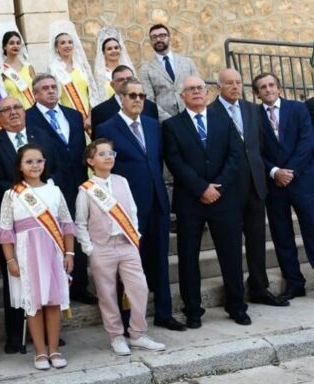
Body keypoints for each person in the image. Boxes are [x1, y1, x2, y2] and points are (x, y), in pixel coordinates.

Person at [94, 77, 184, 331]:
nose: (137, 100)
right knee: (128, 264)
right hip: (125, 207)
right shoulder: (107, 128)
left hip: (157, 202)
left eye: (142, 96)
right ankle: (126, 319)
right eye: (132, 95)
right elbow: (102, 168)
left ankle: (164, 313)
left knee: (161, 261)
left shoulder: (154, 126)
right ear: (121, 98)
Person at [163, 76, 248, 328]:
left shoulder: (224, 121)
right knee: (188, 258)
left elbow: (236, 156)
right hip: (190, 201)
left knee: (231, 254)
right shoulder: (172, 126)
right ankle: (193, 310)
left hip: (224, 199)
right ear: (183, 96)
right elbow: (174, 161)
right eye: (191, 89)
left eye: (200, 88)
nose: (197, 92)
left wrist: (217, 187)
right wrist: (201, 188)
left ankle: (237, 306)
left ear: (207, 93)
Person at [75, 139, 166, 356]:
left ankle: (137, 333)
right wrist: (89, 249)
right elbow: (80, 222)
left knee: (140, 288)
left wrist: (135, 236)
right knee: (106, 294)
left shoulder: (122, 181)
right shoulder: (86, 190)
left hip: (127, 244)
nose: (108, 157)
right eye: (102, 154)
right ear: (90, 161)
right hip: (101, 248)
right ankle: (116, 336)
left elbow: (132, 211)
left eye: (111, 153)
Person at [0, 97, 51, 353]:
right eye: (6, 110)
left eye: (17, 107)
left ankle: (46, 333)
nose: (13, 113)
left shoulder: (41, 136)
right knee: (15, 279)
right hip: (12, 217)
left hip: (44, 220)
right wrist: (20, 192)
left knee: (44, 275)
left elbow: (52, 171)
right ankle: (14, 336)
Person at [212, 69, 288, 306]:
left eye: (238, 82)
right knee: (231, 246)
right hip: (228, 189)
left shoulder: (252, 110)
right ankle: (235, 297)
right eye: (229, 83)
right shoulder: (211, 113)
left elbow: (258, 147)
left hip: (256, 185)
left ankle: (259, 288)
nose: (235, 86)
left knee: (256, 241)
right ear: (219, 87)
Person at [0, 144, 73, 370]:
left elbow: (67, 224)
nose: (35, 165)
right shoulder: (11, 195)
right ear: (19, 166)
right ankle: (40, 352)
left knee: (53, 301)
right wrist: (10, 260)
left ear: (45, 163)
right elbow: (6, 231)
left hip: (53, 252)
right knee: (34, 304)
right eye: (29, 161)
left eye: (39, 160)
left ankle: (54, 349)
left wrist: (69, 253)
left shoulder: (54, 191)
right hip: (26, 254)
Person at [25, 74, 95, 304]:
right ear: (35, 94)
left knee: (77, 231)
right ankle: (56, 287)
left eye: (54, 87)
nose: (51, 91)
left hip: (77, 184)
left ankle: (80, 286)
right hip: (48, 187)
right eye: (45, 88)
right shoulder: (28, 118)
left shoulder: (74, 116)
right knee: (53, 238)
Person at [254, 72, 314, 300]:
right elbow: (255, 150)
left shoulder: (298, 109)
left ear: (279, 88)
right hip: (274, 185)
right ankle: (295, 283)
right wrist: (275, 172)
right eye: (262, 87)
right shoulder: (254, 116)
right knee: (282, 235)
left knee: (312, 230)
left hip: (304, 181)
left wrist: (289, 171)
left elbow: (308, 141)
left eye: (271, 85)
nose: (268, 90)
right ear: (257, 93)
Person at [139, 24, 200, 122]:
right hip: (165, 123)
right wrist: (169, 121)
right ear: (150, 41)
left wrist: (194, 113)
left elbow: (198, 89)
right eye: (154, 37)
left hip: (192, 118)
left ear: (169, 38)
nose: (158, 39)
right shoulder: (145, 69)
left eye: (162, 35)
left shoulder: (187, 62)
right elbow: (148, 100)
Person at [47, 21, 102, 129]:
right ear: (56, 48)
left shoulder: (82, 67)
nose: (67, 45)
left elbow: (92, 93)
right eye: (62, 43)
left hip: (89, 119)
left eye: (70, 42)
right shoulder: (53, 70)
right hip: (67, 121)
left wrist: (90, 118)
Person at [90, 65, 159, 132]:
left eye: (130, 79)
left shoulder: (150, 107)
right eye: (121, 80)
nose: (126, 82)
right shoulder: (99, 112)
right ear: (112, 85)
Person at [93, 27, 135, 101]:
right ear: (103, 52)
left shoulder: (128, 70)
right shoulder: (100, 74)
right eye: (109, 49)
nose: (114, 51)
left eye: (116, 48)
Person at [0, 30, 36, 110]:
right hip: (14, 112)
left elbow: (37, 90)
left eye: (18, 43)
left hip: (32, 110)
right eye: (11, 43)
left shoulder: (29, 67)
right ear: (5, 46)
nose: (15, 46)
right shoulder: (1, 70)